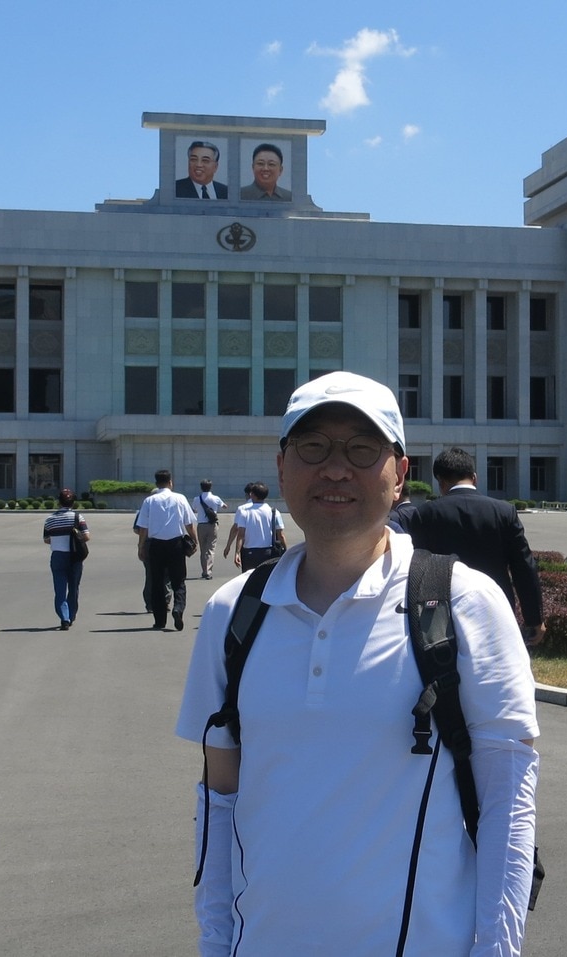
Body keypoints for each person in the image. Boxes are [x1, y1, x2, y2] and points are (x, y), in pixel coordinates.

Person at [175, 370, 539, 956]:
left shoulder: (463, 604)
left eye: (362, 449)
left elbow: (508, 805)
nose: (336, 468)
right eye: (312, 447)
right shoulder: (233, 613)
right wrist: (216, 943)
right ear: (282, 466)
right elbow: (219, 800)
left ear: (401, 475)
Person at [406, 446, 546, 645]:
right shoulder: (504, 511)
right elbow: (523, 566)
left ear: (441, 483)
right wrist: (534, 618)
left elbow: (416, 570)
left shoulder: (425, 514)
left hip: (443, 614)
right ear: (474, 477)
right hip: (496, 607)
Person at [136, 470, 199, 631]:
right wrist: (195, 540)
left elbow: (143, 527)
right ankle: (178, 608)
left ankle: (159, 620)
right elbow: (189, 523)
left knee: (157, 582)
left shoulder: (149, 501)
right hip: (176, 544)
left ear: (156, 483)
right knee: (179, 581)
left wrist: (141, 546)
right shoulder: (180, 498)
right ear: (170, 482)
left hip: (156, 545)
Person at [43, 488, 89, 630]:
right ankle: (71, 614)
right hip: (74, 556)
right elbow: (86, 536)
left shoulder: (50, 519)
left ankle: (64, 617)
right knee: (74, 586)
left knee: (60, 588)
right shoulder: (77, 517)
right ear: (73, 503)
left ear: (58, 502)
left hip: (57, 556)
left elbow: (46, 539)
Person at [227, 481, 286, 571]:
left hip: (249, 553)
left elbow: (241, 535)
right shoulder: (274, 512)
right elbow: (281, 535)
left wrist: (237, 552)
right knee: (265, 580)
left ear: (252, 495)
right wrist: (285, 551)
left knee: (249, 579)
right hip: (268, 552)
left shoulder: (244, 512)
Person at [193, 479, 226, 580]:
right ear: (211, 487)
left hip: (201, 525)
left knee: (203, 549)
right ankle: (208, 571)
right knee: (211, 548)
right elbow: (224, 506)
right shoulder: (215, 498)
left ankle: (204, 570)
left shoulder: (197, 499)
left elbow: (194, 509)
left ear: (201, 487)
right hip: (212, 525)